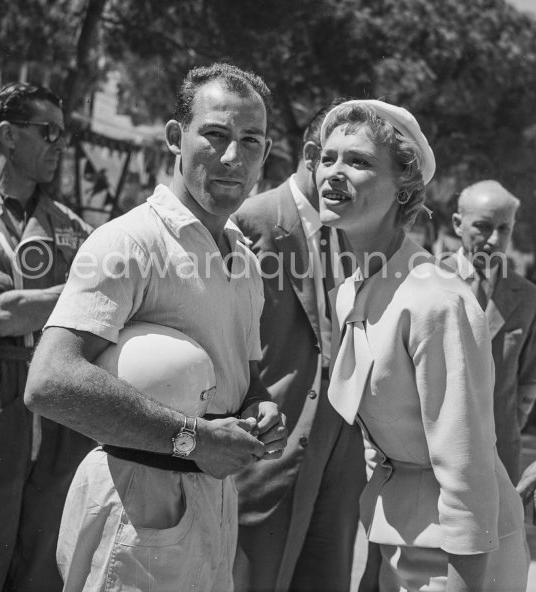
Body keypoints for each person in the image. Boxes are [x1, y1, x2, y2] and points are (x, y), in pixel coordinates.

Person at [24, 63, 287, 592]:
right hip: (135, 503)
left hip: (213, 503)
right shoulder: (130, 243)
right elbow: (49, 381)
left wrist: (260, 409)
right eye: (214, 135)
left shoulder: (245, 261)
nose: (233, 158)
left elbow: (242, 380)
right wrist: (192, 438)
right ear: (175, 137)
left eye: (250, 141)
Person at [318, 99, 527, 591]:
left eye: (360, 161)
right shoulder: (354, 287)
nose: (334, 173)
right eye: (328, 158)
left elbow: (467, 463)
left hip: (459, 556)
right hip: (401, 534)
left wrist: (464, 582)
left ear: (405, 187)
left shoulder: (435, 299)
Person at [232, 103, 366, 592]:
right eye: (345, 162)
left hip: (339, 445)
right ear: (313, 155)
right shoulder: (251, 220)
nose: (351, 178)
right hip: (270, 439)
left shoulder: (353, 234)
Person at [0, 82, 94, 592]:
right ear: (8, 135)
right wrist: (84, 286)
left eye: (64, 134)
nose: (59, 144)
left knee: (44, 558)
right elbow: (3, 315)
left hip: (57, 399)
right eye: (47, 131)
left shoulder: (71, 225)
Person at [443, 180, 536, 485]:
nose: (494, 239)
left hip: (499, 456)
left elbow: (529, 376)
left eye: (504, 228)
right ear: (458, 224)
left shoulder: (526, 296)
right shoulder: (428, 280)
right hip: (431, 452)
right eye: (483, 226)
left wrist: (508, 423)